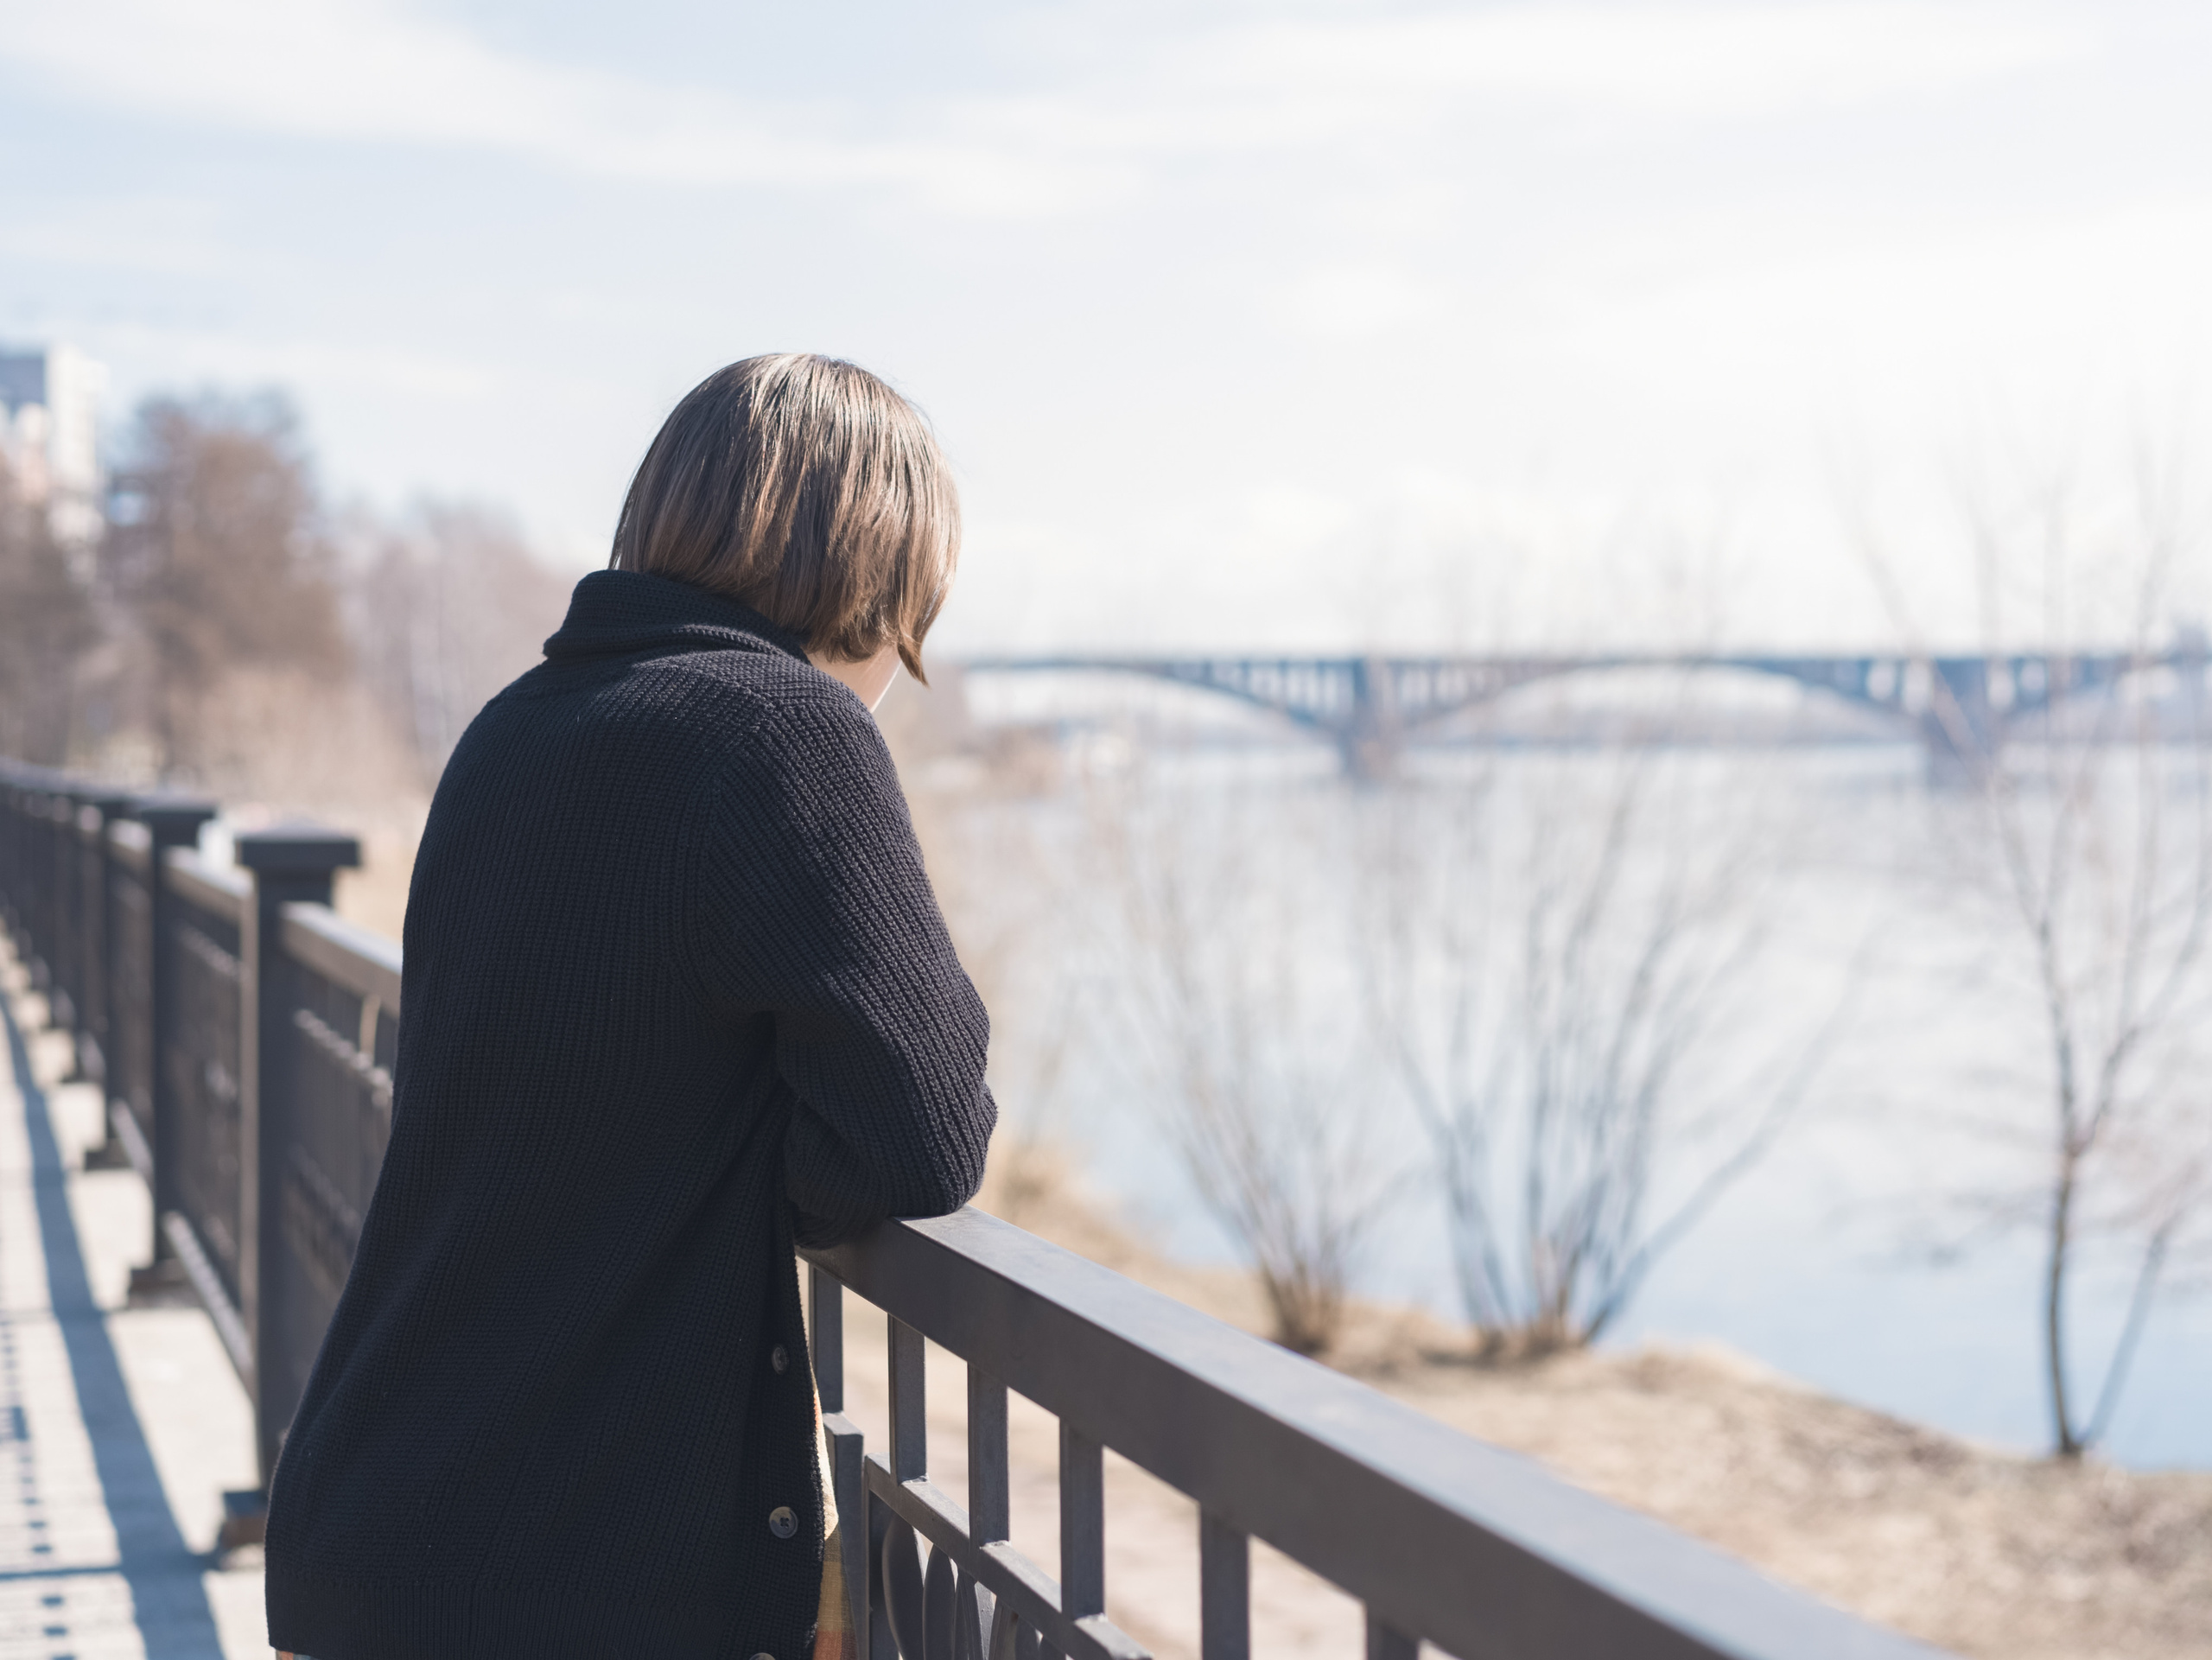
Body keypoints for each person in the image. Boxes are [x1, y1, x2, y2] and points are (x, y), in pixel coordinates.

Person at [265, 354, 996, 1660]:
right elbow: (923, 1135)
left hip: (377, 1526)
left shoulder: (513, 728)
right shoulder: (788, 733)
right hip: (574, 1577)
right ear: (876, 569)